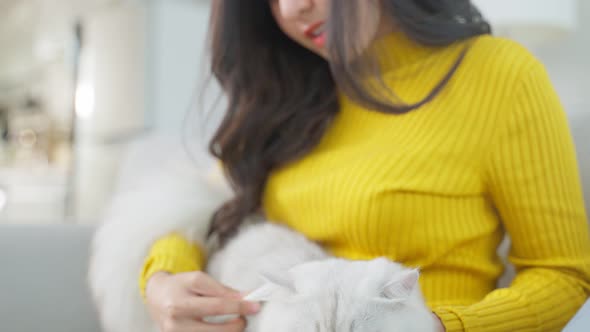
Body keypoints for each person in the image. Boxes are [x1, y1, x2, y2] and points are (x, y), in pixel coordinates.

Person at [89, 1, 590, 332]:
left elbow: (564, 274)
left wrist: (438, 327)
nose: (290, 8)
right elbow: (203, 205)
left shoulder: (497, 75)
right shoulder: (293, 94)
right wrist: (163, 278)